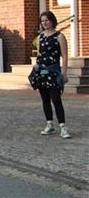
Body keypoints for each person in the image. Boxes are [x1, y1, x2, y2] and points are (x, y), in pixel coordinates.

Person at [30, 11, 71, 139]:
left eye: (47, 20)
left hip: (53, 72)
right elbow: (39, 55)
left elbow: (64, 56)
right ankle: (49, 124)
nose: (45, 23)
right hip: (42, 72)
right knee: (45, 99)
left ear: (52, 20)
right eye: (42, 21)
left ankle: (63, 126)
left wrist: (64, 73)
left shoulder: (59, 36)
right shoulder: (40, 37)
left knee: (56, 99)